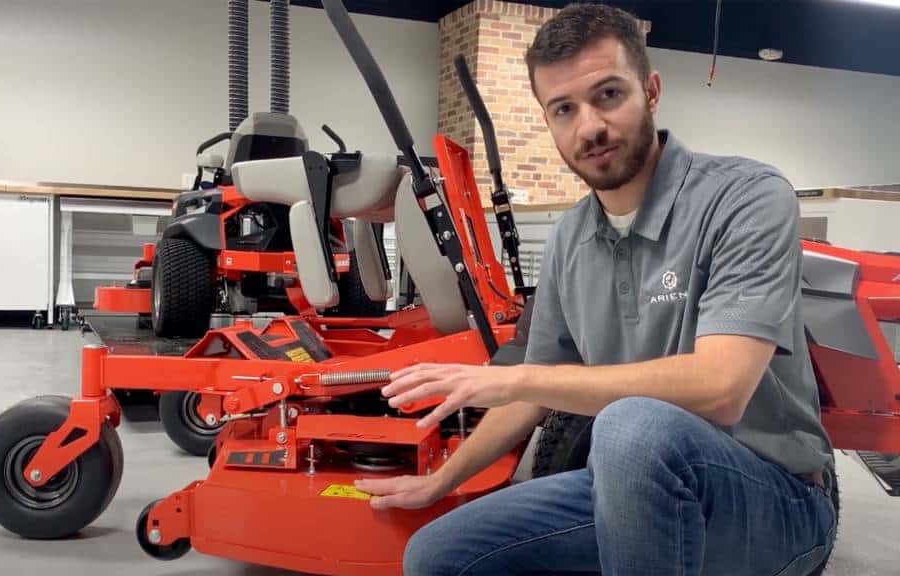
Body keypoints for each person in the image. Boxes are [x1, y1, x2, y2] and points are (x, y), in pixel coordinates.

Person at [354, 4, 837, 575]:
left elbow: (721, 388)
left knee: (633, 427)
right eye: (564, 109)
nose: (589, 128)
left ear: (651, 92)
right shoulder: (570, 238)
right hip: (633, 485)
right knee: (438, 555)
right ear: (548, 121)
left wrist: (516, 378)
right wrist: (441, 481)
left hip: (775, 498)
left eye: (608, 94)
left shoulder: (745, 198)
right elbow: (534, 394)